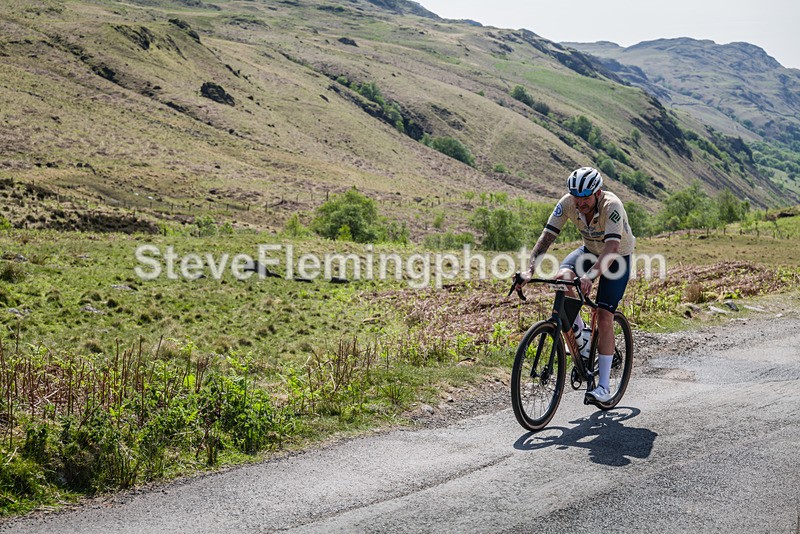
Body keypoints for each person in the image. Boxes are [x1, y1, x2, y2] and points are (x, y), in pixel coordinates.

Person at [515, 166, 636, 404]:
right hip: (590, 251)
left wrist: (590, 276)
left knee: (603, 315)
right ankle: (581, 334)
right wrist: (529, 270)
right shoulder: (568, 202)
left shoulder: (612, 206)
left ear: (598, 193)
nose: (580, 204)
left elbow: (611, 249)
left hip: (616, 257)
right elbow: (547, 237)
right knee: (562, 277)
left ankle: (602, 387)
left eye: (585, 198)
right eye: (576, 198)